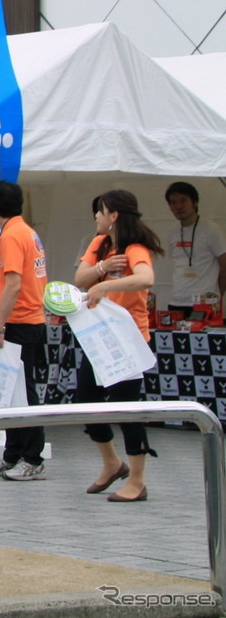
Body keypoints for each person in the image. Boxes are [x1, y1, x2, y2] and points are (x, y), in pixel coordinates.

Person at [73, 190, 159, 502]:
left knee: (126, 410)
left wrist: (107, 284)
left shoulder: (136, 248)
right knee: (86, 401)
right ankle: (111, 463)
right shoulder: (99, 245)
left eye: (101, 211)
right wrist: (102, 270)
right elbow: (80, 278)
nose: (96, 216)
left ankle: (137, 480)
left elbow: (145, 278)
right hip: (98, 339)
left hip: (128, 340)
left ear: (114, 216)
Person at [0, 181, 49, 482]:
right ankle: (13, 454)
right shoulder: (24, 231)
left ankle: (33, 457)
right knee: (11, 391)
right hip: (26, 317)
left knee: (24, 393)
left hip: (22, 323)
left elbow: (16, 283)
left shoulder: (12, 235)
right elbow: (23, 285)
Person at [161, 181, 226, 311]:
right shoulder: (172, 231)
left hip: (205, 302)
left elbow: (225, 266)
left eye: (183, 200)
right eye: (173, 202)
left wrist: (217, 296)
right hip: (177, 301)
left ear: (195, 202)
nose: (178, 206)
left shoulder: (211, 230)